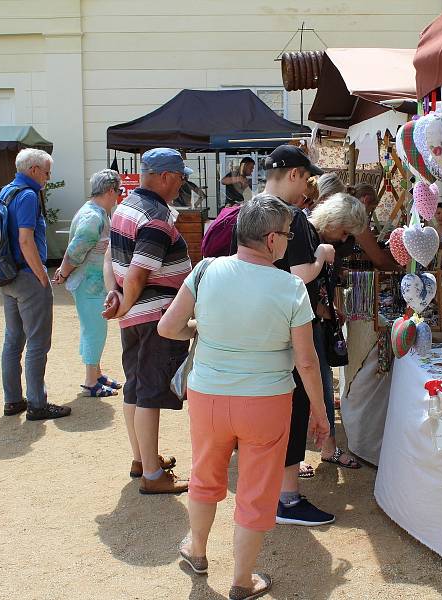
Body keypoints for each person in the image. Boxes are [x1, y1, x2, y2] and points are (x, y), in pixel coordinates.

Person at [157, 194, 329, 600]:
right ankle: (241, 579)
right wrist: (320, 413)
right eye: (287, 235)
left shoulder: (204, 271)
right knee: (256, 492)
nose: (288, 242)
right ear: (271, 240)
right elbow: (306, 363)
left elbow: (169, 327)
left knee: (205, 474)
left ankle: (197, 552)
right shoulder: (290, 287)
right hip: (266, 400)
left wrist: (199, 329)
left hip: (209, 395)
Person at [247, 144, 339, 527]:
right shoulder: (292, 218)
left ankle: (270, 490)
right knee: (296, 404)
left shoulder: (247, 212)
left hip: (255, 325)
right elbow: (300, 276)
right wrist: (322, 256)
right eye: (306, 177)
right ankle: (287, 497)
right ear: (295, 174)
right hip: (290, 325)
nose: (307, 187)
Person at [102, 148, 192, 495]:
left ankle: (143, 458)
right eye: (180, 177)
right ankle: (152, 476)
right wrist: (124, 302)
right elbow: (140, 271)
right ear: (166, 176)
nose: (181, 184)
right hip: (155, 315)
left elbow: (111, 257)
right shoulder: (155, 215)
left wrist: (117, 296)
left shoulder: (125, 207)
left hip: (136, 315)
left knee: (136, 387)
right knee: (150, 393)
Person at [0, 149, 71, 420]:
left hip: (7, 275)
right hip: (28, 277)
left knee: (13, 340)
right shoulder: (28, 196)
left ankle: (13, 399)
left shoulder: (6, 192)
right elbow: (25, 240)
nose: (48, 177)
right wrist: (41, 274)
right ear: (33, 170)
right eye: (46, 171)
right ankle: (37, 404)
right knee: (38, 343)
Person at [306, 193, 368, 470]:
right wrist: (324, 309)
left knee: (321, 384)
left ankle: (327, 447)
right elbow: (299, 286)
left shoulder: (318, 238)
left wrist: (329, 308)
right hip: (304, 324)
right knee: (311, 387)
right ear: (334, 220)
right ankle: (305, 455)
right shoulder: (306, 236)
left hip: (315, 322)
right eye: (344, 231)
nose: (344, 239)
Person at [52, 169, 121, 397]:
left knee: (92, 327)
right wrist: (62, 273)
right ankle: (91, 381)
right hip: (89, 283)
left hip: (91, 282)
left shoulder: (95, 212)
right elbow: (75, 251)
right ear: (110, 191)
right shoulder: (94, 216)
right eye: (118, 191)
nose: (119, 195)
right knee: (95, 330)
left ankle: (96, 373)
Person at [336, 182, 400, 270]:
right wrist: (403, 273)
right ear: (366, 200)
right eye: (371, 209)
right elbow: (380, 260)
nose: (369, 213)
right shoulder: (356, 218)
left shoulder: (343, 210)